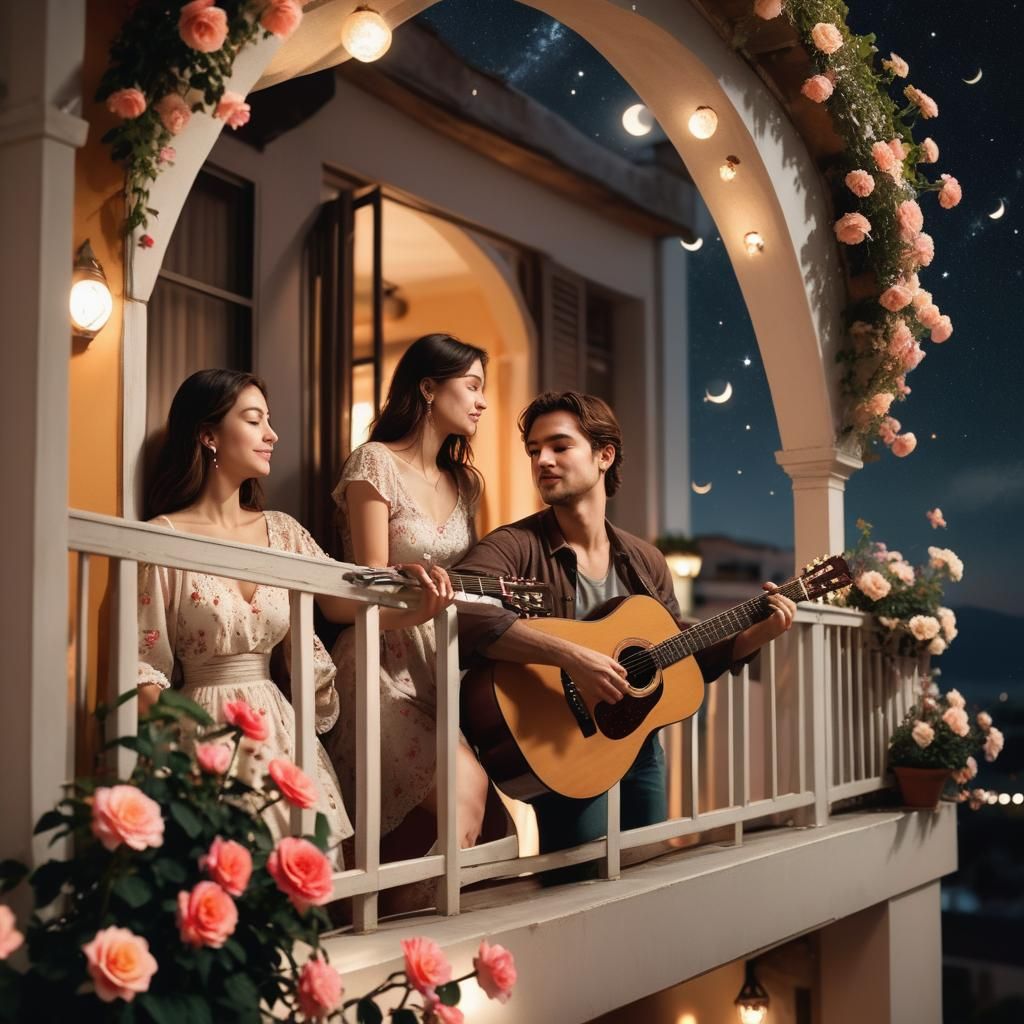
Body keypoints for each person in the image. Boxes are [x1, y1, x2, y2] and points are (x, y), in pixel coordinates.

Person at [454, 391, 797, 869]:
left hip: (638, 747)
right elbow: (468, 613)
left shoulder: (644, 560)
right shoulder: (515, 546)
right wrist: (574, 657)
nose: (542, 461)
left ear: (603, 455)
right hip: (561, 744)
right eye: (534, 450)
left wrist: (753, 637)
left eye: (559, 446)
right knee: (580, 883)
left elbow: (676, 656)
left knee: (648, 875)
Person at [136, 369, 353, 865]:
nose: (272, 435)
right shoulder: (162, 538)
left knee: (309, 881)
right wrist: (178, 760)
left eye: (268, 421)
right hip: (202, 730)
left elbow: (343, 601)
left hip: (278, 728)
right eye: (254, 421)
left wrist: (413, 594)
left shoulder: (284, 532)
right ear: (208, 435)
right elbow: (143, 666)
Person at [325, 334, 493, 858]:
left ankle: (416, 930)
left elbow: (467, 578)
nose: (482, 401)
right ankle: (427, 937)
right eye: (471, 386)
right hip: (378, 655)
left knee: (469, 820)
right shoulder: (374, 463)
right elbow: (370, 582)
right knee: (467, 793)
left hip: (439, 661)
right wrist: (415, 599)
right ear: (427, 388)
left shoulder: (467, 484)